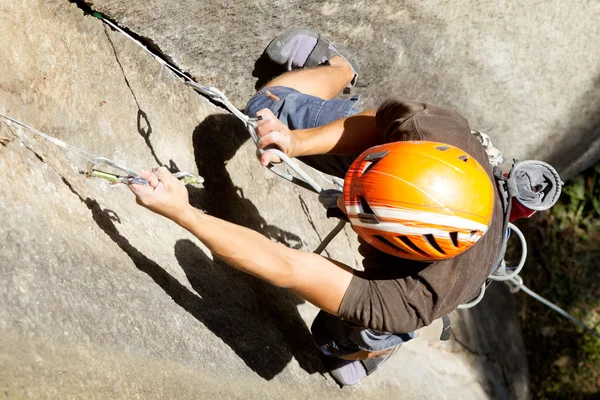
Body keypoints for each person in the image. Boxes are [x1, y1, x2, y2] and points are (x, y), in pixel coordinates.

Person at [128, 29, 503, 386]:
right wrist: (294, 141)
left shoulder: (408, 299)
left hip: (424, 283)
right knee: (266, 110)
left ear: (393, 246)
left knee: (330, 339)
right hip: (420, 180)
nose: (339, 198)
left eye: (358, 212)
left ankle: (373, 341)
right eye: (352, 188)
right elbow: (376, 125)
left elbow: (288, 267)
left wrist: (185, 213)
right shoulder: (434, 133)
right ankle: (341, 67)